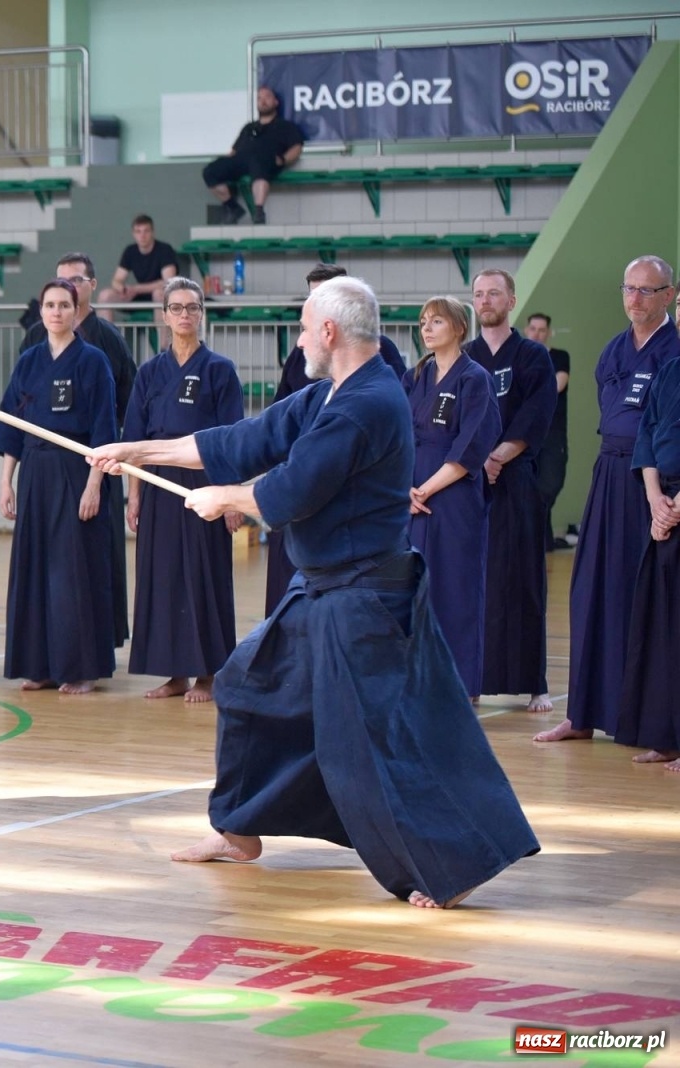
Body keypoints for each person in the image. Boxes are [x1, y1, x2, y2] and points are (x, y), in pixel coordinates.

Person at [91, 276, 538, 908]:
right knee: (244, 684)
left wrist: (226, 498)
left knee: (373, 741)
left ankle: (453, 867)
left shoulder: (368, 403)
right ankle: (238, 830)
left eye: (303, 329)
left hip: (364, 598)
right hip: (322, 589)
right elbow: (240, 440)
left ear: (329, 331)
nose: (299, 340)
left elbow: (292, 489)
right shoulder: (332, 393)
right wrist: (134, 449)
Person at [539, 256, 680, 744]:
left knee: (645, 596)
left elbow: (657, 428)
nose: (634, 298)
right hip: (609, 474)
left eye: (646, 290)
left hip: (655, 482)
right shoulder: (613, 350)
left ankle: (642, 719)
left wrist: (662, 493)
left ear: (669, 295)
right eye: (628, 288)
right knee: (592, 588)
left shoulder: (673, 350)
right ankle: (582, 713)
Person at [0, 278, 116, 695]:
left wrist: (94, 485)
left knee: (72, 570)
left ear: (76, 311)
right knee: (35, 568)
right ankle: (40, 664)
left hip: (76, 471)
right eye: (50, 305)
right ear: (42, 312)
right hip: (35, 473)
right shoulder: (29, 361)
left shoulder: (93, 361)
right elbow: (11, 424)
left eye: (64, 305)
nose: (57, 312)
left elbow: (103, 428)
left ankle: (80, 669)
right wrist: (6, 482)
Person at [125, 278, 243, 703]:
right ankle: (175, 673)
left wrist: (231, 496)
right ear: (164, 315)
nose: (184, 315)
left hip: (204, 480)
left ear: (202, 314)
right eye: (176, 308)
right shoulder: (149, 372)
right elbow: (135, 439)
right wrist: (134, 495)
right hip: (159, 483)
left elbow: (234, 439)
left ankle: (209, 674)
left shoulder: (219, 370)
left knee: (204, 573)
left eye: (192, 307)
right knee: (164, 576)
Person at [264, 263, 406, 615]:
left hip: (349, 493)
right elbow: (279, 414)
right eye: (312, 296)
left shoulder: (378, 354)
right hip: (301, 476)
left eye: (324, 295)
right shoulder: (302, 351)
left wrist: (231, 498)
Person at [24, 251, 136, 645]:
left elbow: (128, 404)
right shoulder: (35, 339)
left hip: (97, 459)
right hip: (43, 468)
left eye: (75, 281)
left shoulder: (108, 340)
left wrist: (112, 457)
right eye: (60, 281)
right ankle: (46, 642)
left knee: (96, 551)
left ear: (90, 286)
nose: (66, 289)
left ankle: (101, 636)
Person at [463, 269, 557, 713]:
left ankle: (534, 682)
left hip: (516, 480)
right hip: (470, 482)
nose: (485, 300)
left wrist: (498, 456)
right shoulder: (466, 357)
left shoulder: (533, 356)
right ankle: (473, 678)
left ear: (511, 301)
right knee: (474, 580)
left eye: (494, 293)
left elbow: (537, 414)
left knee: (523, 579)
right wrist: (478, 459)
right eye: (479, 294)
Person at [403, 297, 502, 700]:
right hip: (412, 499)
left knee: (455, 589)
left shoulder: (474, 379)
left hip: (453, 498)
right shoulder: (415, 376)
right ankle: (416, 681)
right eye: (423, 322)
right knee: (413, 590)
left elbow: (471, 445)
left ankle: (459, 686)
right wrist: (404, 489)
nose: (427, 329)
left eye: (437, 321)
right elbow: (397, 434)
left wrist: (426, 489)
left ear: (459, 327)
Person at [614, 324, 680, 769]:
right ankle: (665, 736)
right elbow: (648, 434)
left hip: (676, 507)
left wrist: (674, 507)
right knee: (661, 628)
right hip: (664, 505)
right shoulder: (670, 371)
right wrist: (656, 500)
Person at [203, 86, 304, 225]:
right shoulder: (248, 128)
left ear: (276, 102)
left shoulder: (285, 126)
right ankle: (232, 207)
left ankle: (259, 211)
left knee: (259, 163)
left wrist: (283, 159)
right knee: (210, 171)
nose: (263, 101)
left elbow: (297, 148)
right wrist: (226, 164)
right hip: (242, 160)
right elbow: (234, 151)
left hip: (265, 160)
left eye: (267, 97)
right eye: (259, 98)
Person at [525, 313, 573, 546]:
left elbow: (558, 384)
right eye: (533, 329)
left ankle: (540, 540)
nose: (537, 334)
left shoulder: (560, 356)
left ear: (549, 332)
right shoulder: (519, 358)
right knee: (528, 489)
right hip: (525, 435)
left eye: (542, 329)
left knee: (550, 484)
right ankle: (541, 543)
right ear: (526, 330)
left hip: (553, 434)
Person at [97, 216, 178, 312]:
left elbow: (168, 282)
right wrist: (123, 289)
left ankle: (160, 323)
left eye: (146, 231)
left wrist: (136, 289)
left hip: (160, 294)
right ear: (133, 234)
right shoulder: (130, 251)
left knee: (158, 294)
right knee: (104, 296)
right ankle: (105, 323)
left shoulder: (165, 249)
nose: (142, 236)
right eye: (138, 232)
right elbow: (116, 280)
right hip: (137, 295)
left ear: (153, 232)